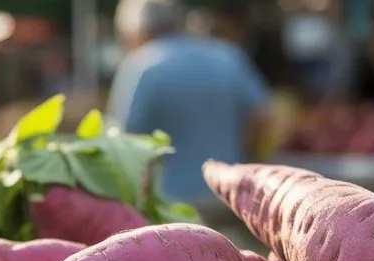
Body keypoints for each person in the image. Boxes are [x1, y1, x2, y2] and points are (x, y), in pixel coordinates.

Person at [106, 0, 271, 210]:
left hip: (171, 206)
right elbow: (263, 116)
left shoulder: (141, 66)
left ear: (138, 31)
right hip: (230, 198)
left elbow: (124, 143)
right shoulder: (228, 55)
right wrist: (248, 162)